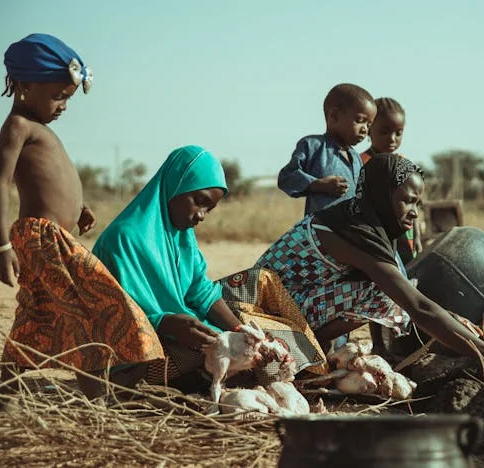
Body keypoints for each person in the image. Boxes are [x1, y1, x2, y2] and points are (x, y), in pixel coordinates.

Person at [256, 154, 484, 391]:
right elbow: (419, 307)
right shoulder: (355, 231)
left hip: (287, 304)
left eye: (418, 205)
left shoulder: (354, 217)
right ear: (381, 193)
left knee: (389, 289)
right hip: (263, 316)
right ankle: (299, 350)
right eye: (409, 201)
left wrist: (454, 320)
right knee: (386, 294)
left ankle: (309, 349)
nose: (414, 214)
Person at [0, 33, 164, 399]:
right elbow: (1, 185)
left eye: (68, 98)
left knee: (41, 317)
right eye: (58, 96)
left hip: (57, 237)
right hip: (42, 238)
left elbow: (51, 181)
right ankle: (98, 398)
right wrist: (1, 246)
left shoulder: (39, 129)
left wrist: (78, 208)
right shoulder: (19, 127)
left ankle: (13, 395)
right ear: (24, 85)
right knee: (96, 305)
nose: (64, 106)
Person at [92, 146, 328, 388]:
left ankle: (305, 367)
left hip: (181, 326)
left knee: (254, 342)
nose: (202, 215)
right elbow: (118, 315)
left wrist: (241, 329)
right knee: (202, 353)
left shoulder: (180, 234)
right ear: (175, 185)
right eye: (199, 201)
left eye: (209, 209)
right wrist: (165, 322)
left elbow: (200, 290)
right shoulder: (125, 238)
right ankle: (181, 380)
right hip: (134, 348)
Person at [277, 83, 376, 216]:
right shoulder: (313, 146)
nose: (364, 129)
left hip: (350, 231)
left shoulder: (356, 157)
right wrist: (318, 184)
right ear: (334, 116)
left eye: (368, 124)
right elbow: (286, 177)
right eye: (359, 120)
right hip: (321, 231)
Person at [361, 97, 422, 264]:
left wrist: (417, 235)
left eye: (398, 132)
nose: (392, 138)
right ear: (368, 129)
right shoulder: (361, 163)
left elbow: (414, 204)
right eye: (384, 131)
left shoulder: (404, 165)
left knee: (407, 267)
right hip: (377, 233)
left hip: (405, 233)